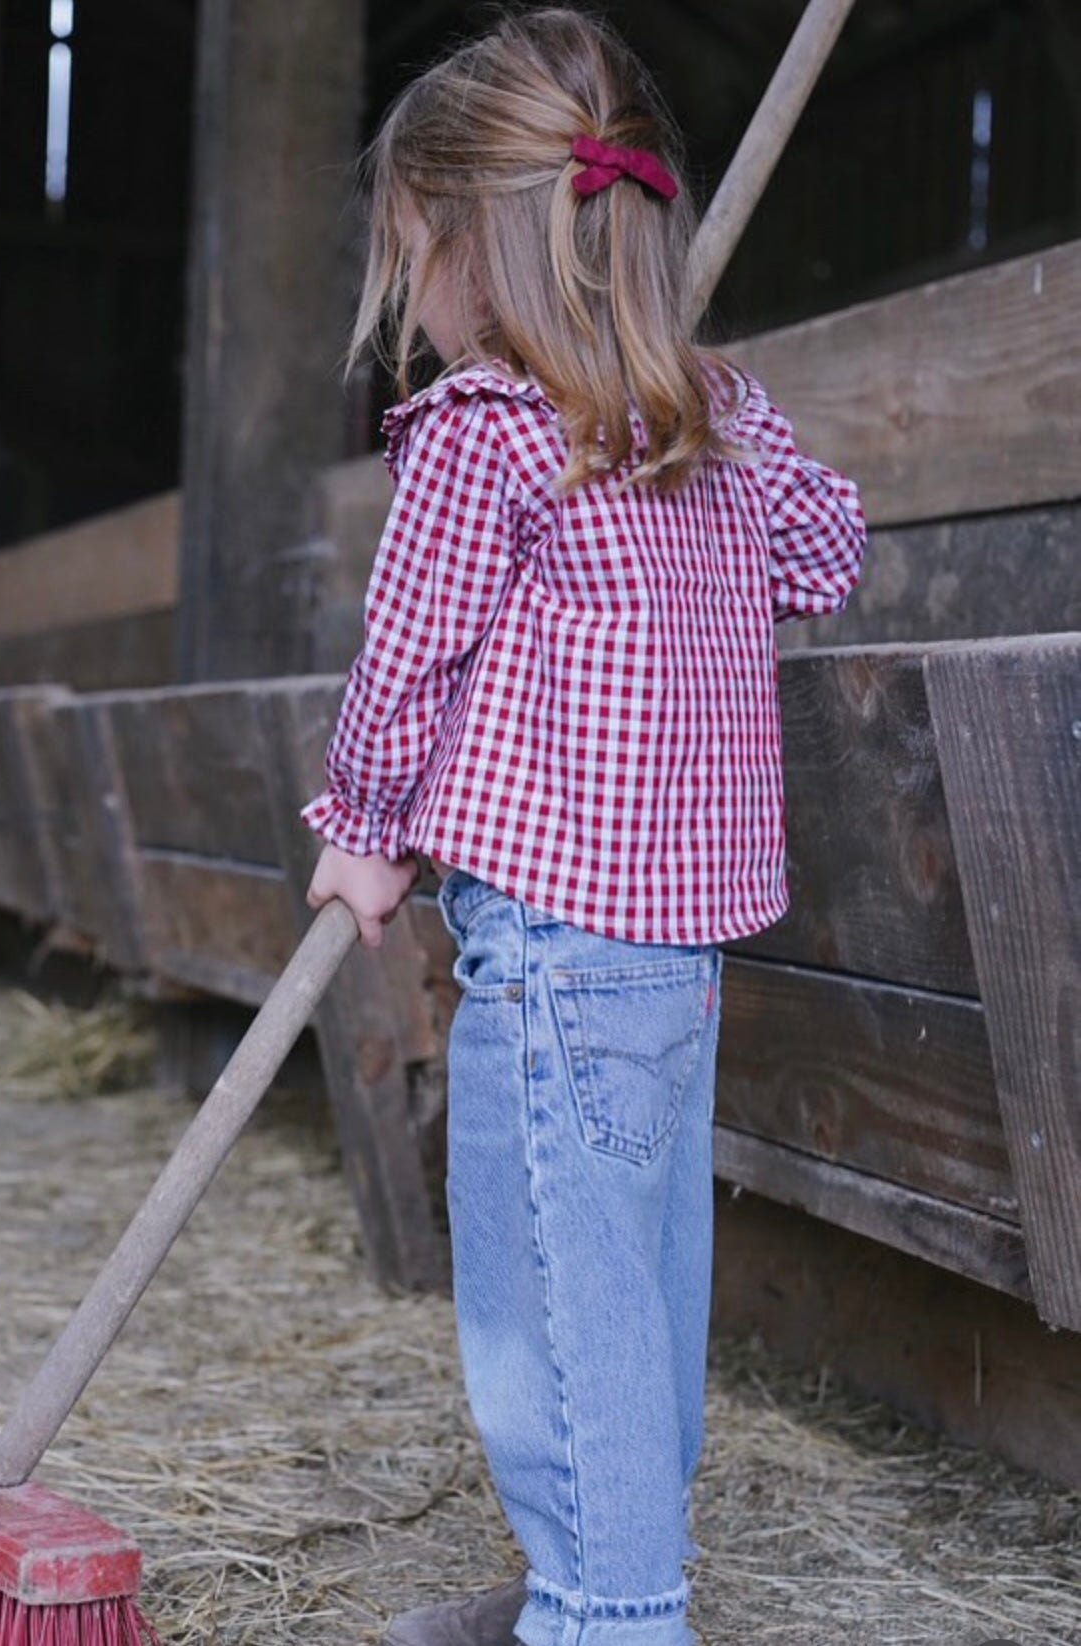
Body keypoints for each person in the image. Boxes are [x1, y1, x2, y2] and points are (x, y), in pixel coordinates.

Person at [301, 9, 867, 1645]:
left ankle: (612, 1614)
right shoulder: (702, 420)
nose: (418, 292)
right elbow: (829, 557)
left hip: (551, 957)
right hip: (674, 964)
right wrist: (718, 401)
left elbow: (407, 653)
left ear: (477, 247)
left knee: (557, 1313)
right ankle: (595, 1579)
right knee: (637, 1298)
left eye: (418, 252)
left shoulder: (485, 436)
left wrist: (360, 826)